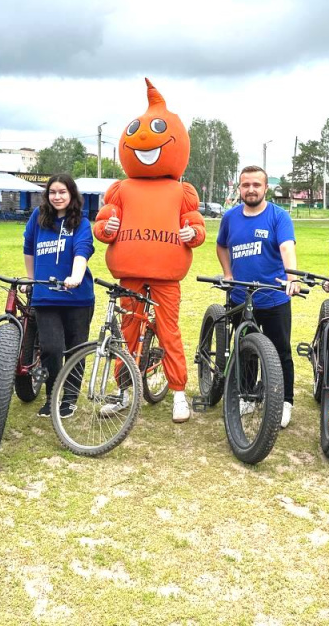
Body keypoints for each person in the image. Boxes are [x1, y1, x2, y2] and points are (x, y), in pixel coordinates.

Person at [93, 79, 206, 423]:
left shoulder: (181, 190)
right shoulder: (121, 190)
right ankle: (126, 390)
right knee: (127, 330)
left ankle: (178, 394)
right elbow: (102, 225)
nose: (145, 138)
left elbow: (197, 226)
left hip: (166, 276)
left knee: (169, 331)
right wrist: (105, 229)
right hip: (129, 274)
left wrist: (193, 233)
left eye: (157, 130)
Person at [216, 166, 301, 428]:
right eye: (246, 185)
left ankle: (285, 401)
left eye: (256, 185)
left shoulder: (278, 216)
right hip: (241, 296)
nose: (251, 189)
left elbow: (287, 246)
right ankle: (249, 396)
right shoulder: (230, 218)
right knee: (245, 350)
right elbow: (221, 245)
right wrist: (227, 273)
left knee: (281, 351)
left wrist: (292, 277)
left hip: (274, 297)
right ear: (239, 188)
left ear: (266, 188)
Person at [23, 174, 95, 418]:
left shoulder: (82, 223)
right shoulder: (38, 218)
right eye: (53, 192)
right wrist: (32, 280)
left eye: (62, 192)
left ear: (72, 194)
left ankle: (70, 398)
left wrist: (75, 276)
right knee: (51, 348)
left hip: (77, 298)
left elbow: (82, 252)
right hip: (46, 297)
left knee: (76, 349)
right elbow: (28, 249)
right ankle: (52, 395)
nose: (57, 196)